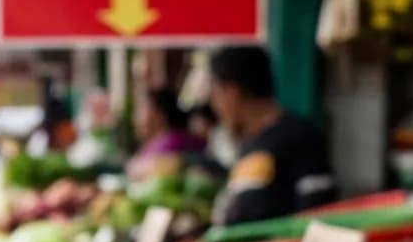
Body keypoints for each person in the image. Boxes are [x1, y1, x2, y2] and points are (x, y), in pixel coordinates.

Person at [208, 44, 335, 227]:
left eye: (216, 93)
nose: (215, 105)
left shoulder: (301, 137)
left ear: (232, 93)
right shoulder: (250, 144)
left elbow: (318, 213)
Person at [127, 89, 207, 178]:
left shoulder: (172, 141)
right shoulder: (159, 142)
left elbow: (137, 168)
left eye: (140, 109)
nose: (134, 118)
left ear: (160, 114)